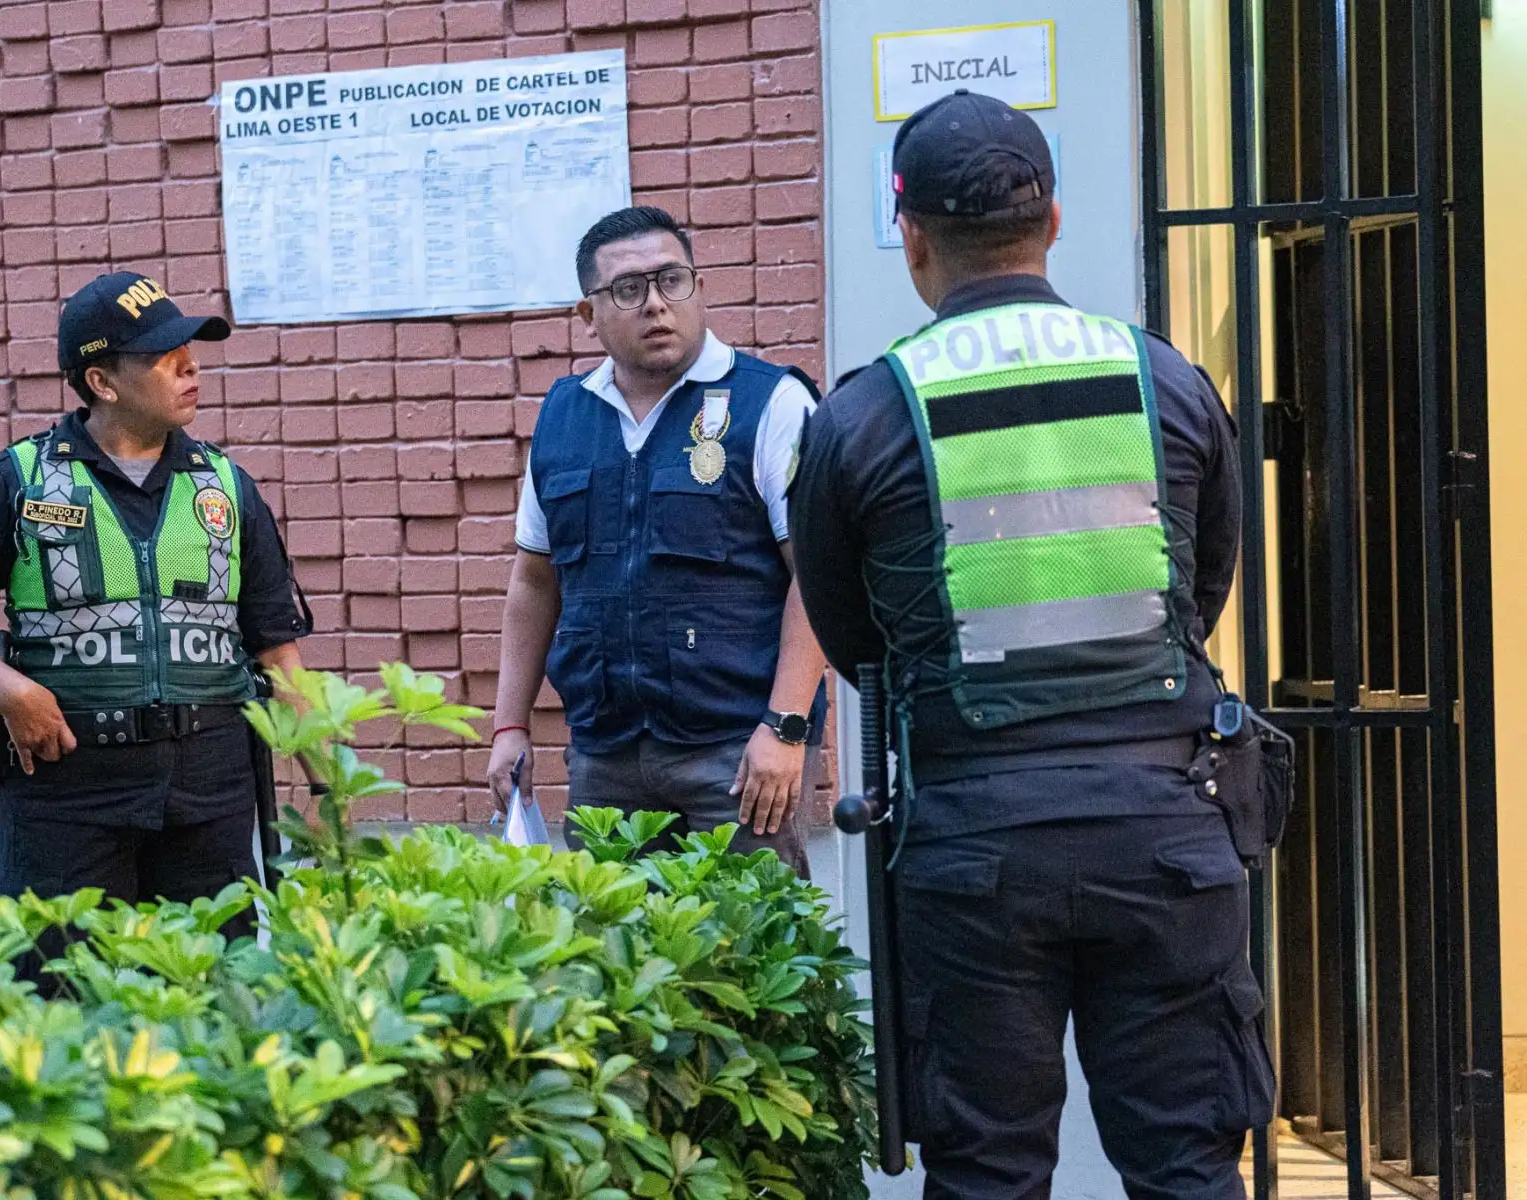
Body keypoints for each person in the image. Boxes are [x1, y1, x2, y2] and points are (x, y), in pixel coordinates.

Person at [788, 92, 1270, 1198]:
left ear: (909, 235)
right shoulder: (1167, 381)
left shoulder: (864, 414)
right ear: (1054, 220)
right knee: (1189, 1163)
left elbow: (855, 637)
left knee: (988, 1171)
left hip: (972, 852)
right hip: (1165, 833)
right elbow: (1201, 595)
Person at [0, 271, 311, 971]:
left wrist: (332, 788)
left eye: (188, 348)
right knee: (56, 1001)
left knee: (213, 1003)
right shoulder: (18, 481)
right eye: (162, 355)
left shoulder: (228, 487)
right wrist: (13, 694)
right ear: (102, 381)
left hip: (210, 797)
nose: (189, 366)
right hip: (69, 797)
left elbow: (278, 653)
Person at [486, 206, 829, 873]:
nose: (655, 304)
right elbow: (534, 581)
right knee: (616, 962)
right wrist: (509, 725)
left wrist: (786, 726)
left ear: (698, 286)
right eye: (628, 289)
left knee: (750, 959)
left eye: (672, 280)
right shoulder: (564, 416)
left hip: (739, 752)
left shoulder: (773, 404)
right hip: (605, 755)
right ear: (589, 314)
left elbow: (816, 575)